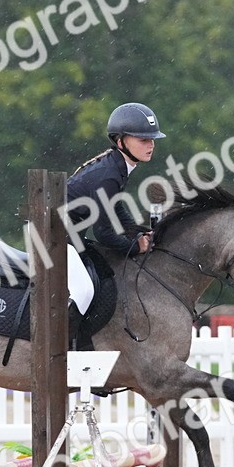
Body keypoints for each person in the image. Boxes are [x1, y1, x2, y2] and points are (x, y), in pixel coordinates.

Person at [63, 102, 165, 347]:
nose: (150, 144)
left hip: (72, 235)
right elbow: (105, 232)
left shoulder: (117, 167)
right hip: (54, 237)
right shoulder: (109, 174)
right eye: (142, 139)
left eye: (152, 139)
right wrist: (135, 246)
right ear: (121, 142)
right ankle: (63, 346)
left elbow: (116, 209)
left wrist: (138, 231)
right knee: (84, 291)